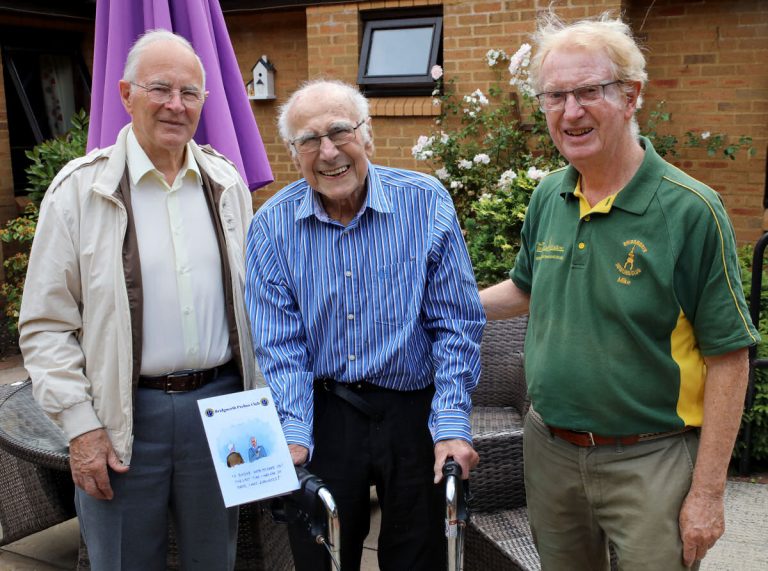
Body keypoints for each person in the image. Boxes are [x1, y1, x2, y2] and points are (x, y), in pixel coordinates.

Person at [479, 12, 759, 571]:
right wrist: (436, 301)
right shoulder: (549, 196)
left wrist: (707, 495)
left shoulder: (690, 210)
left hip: (650, 460)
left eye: (589, 91)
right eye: (554, 96)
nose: (571, 111)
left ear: (631, 96)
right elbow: (528, 289)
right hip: (550, 450)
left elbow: (729, 357)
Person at [18, 29, 262, 570]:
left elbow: (260, 306)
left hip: (219, 410)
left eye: (190, 92)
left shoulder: (227, 185)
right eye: (160, 89)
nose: (176, 105)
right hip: (121, 418)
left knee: (216, 560)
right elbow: (45, 325)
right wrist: (81, 426)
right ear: (126, 94)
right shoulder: (80, 191)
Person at [244, 79, 485, 571]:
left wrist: (452, 424)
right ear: (293, 153)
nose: (328, 152)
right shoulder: (270, 225)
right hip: (324, 409)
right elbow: (280, 344)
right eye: (309, 140)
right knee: (321, 556)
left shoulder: (425, 202)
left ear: (367, 134)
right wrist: (294, 434)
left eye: (339, 132)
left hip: (411, 412)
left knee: (420, 558)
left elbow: (455, 323)